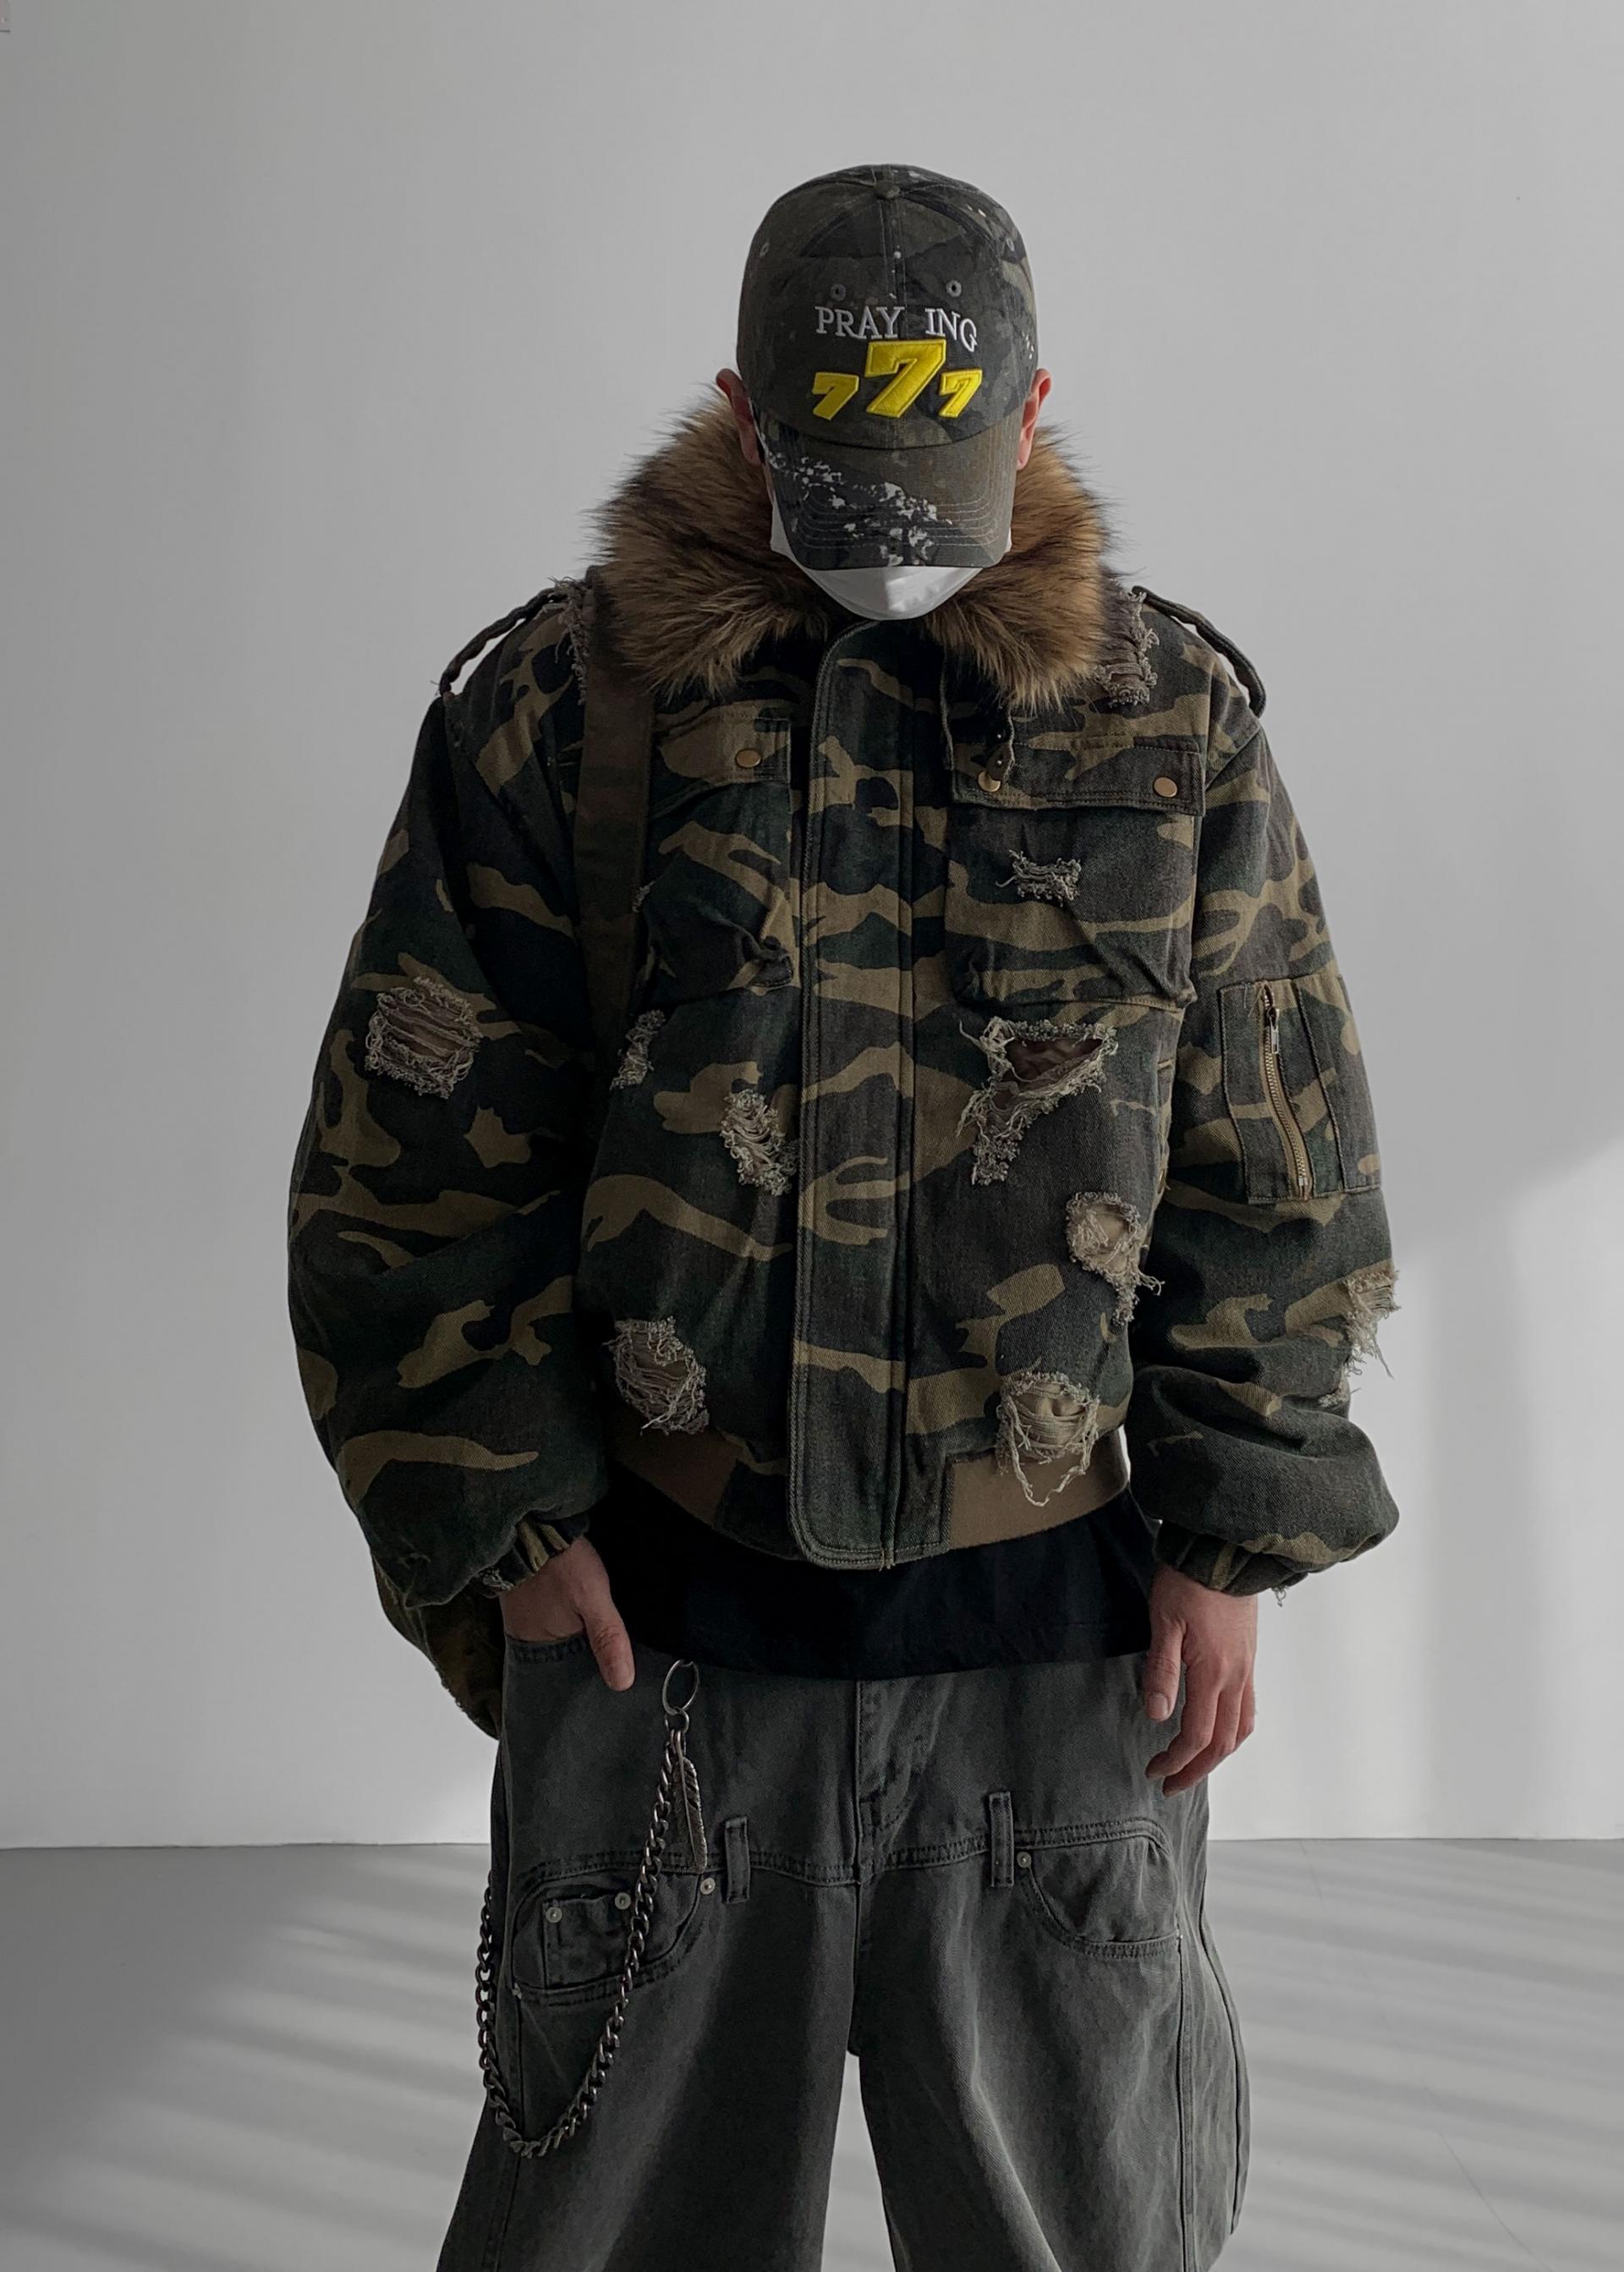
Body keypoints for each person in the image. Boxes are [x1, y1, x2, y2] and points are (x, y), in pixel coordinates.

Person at [287, 162, 1399, 2272]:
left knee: (1087, 2229)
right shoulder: (568, 707)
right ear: (739, 410)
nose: (889, 549)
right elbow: (411, 1145)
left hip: (1055, 1652)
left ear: (1036, 408)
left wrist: (1236, 1525)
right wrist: (498, 1514)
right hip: (667, 1641)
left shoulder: (1165, 716)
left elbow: (1277, 1145)